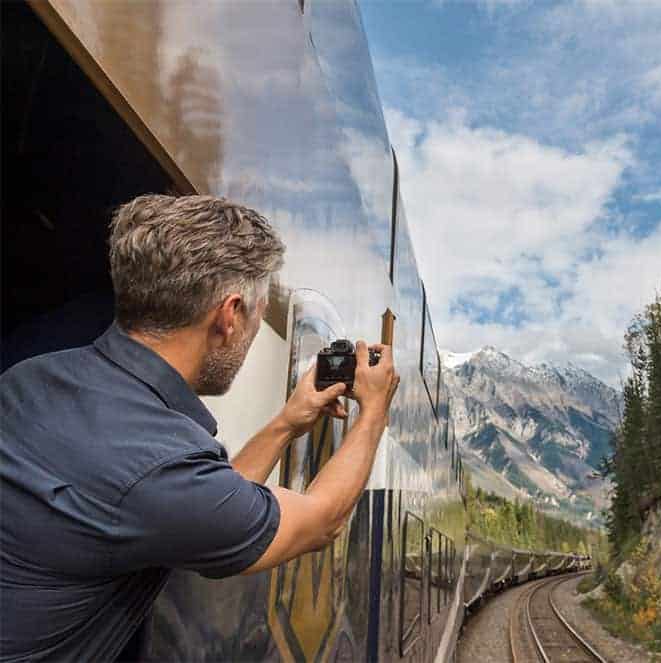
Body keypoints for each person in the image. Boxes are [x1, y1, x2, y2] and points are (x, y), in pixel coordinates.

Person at [0, 195, 399, 661]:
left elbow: (208, 498)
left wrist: (288, 423)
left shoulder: (30, 377)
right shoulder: (159, 469)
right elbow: (322, 521)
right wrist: (373, 411)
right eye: (256, 312)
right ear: (229, 316)